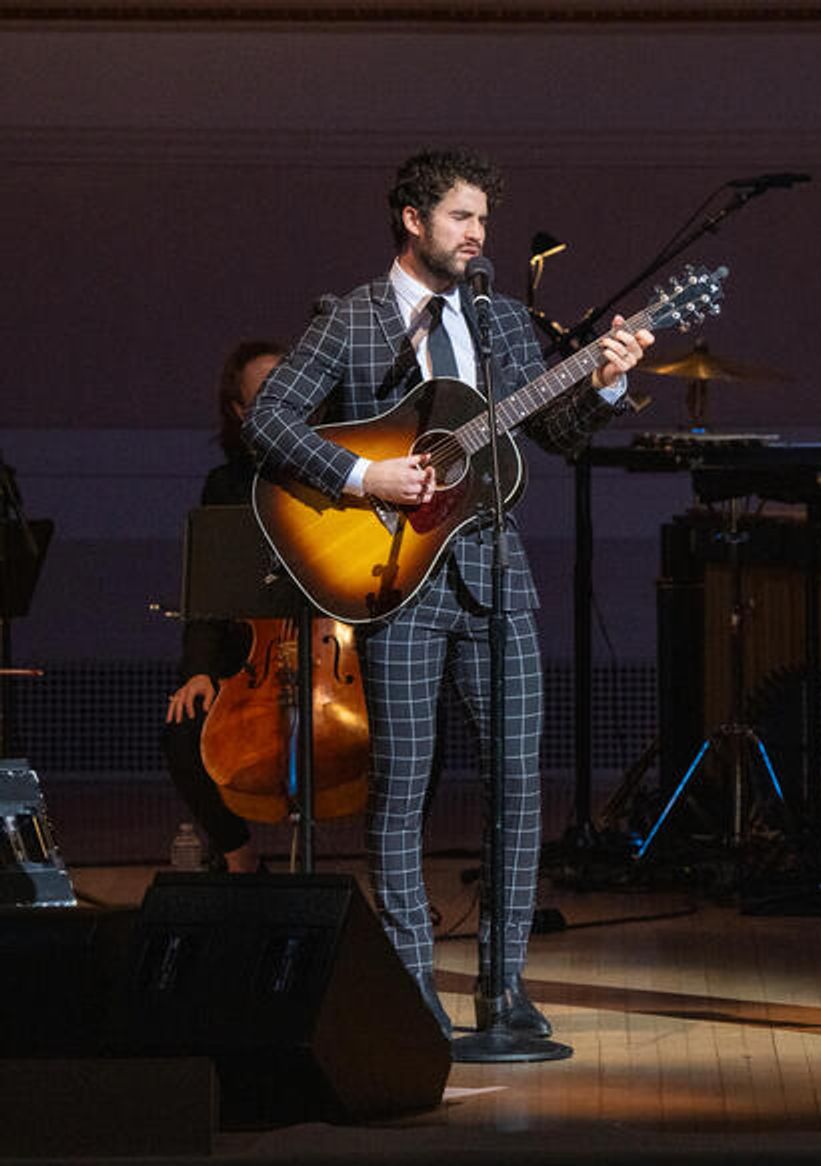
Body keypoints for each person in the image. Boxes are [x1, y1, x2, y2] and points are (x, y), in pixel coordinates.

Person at [243, 149, 652, 1039]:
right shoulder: (349, 320)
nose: (478, 236)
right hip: (394, 581)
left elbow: (561, 432)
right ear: (412, 219)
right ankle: (411, 987)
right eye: (463, 218)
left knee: (518, 786)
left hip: (497, 578)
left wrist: (607, 378)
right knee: (402, 788)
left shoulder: (502, 323)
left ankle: (503, 990)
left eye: (483, 223)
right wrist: (363, 476)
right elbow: (268, 421)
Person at [163, 340, 284, 874]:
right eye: (264, 395)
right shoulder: (226, 484)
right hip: (253, 664)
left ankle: (396, 878)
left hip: (339, 658)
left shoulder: (344, 469)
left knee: (421, 728)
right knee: (184, 726)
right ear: (239, 411)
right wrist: (200, 673)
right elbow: (209, 594)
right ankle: (241, 862)